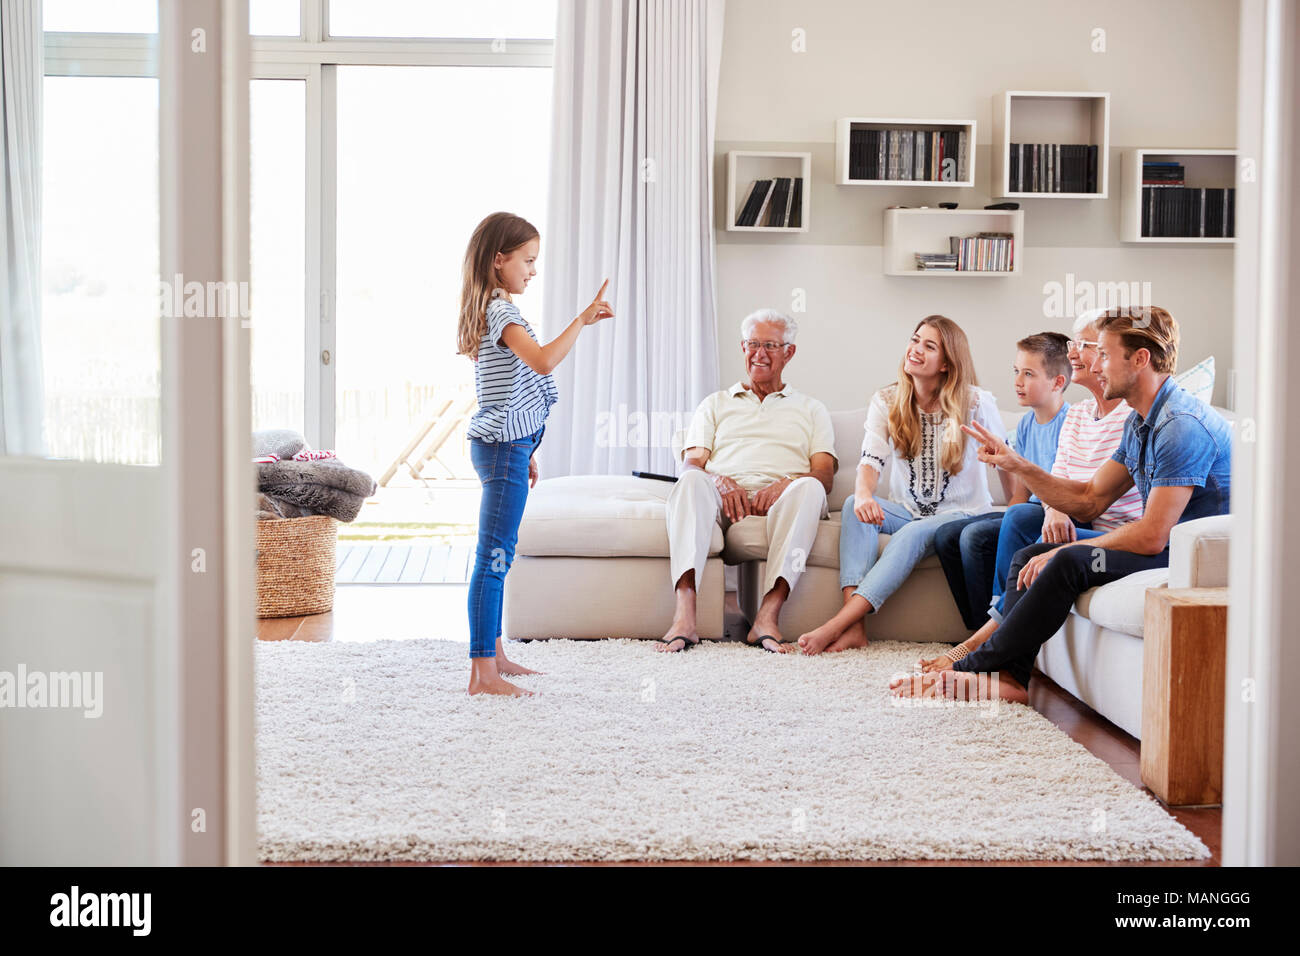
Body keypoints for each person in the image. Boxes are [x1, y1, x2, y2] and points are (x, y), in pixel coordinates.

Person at [892, 306, 1231, 702]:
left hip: (1190, 556)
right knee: (1030, 554)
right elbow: (1090, 499)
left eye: (1104, 354)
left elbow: (1154, 536)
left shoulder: (1180, 425)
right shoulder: (1140, 421)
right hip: (1165, 544)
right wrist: (1017, 464)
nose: (1094, 365)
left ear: (1140, 359)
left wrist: (1068, 549)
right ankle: (1012, 679)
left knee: (1066, 560)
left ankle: (970, 665)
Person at [918, 312, 1145, 673]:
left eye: (1087, 346)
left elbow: (1092, 500)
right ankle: (988, 634)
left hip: (1103, 528)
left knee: (1014, 522)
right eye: (1074, 344)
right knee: (993, 524)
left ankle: (988, 641)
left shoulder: (1135, 420)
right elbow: (1058, 481)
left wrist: (1049, 501)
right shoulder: (1080, 415)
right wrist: (1045, 498)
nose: (1074, 354)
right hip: (1073, 515)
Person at [456, 211, 614, 696]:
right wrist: (582, 319)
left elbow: (508, 391)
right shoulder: (501, 312)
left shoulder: (495, 307)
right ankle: (482, 672)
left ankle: (495, 654)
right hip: (502, 448)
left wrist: (526, 449)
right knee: (493, 557)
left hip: (508, 447)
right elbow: (542, 361)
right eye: (527, 260)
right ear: (498, 260)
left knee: (499, 556)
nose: (533, 270)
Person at [795, 315, 1012, 656]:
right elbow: (871, 459)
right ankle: (856, 628)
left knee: (913, 533)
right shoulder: (887, 400)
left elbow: (1006, 459)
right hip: (908, 511)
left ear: (946, 363)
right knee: (854, 504)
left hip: (962, 514)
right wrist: (865, 493)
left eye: (929, 346)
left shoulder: (976, 403)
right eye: (915, 340)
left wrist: (1014, 510)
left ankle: (837, 624)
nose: (916, 350)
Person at [659, 309, 837, 653]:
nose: (759, 354)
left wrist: (786, 483)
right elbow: (692, 463)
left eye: (770, 345)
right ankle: (685, 616)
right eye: (752, 344)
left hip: (784, 502)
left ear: (789, 352)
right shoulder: (714, 404)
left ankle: (767, 616)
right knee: (692, 481)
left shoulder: (812, 409)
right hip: (723, 498)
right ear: (742, 348)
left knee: (810, 487)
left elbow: (824, 474)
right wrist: (719, 480)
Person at [934, 332, 1072, 631]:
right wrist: (1009, 515)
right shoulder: (1026, 424)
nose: (1017, 381)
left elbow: (1068, 489)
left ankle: (999, 625)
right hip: (1028, 513)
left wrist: (1019, 515)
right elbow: (1019, 496)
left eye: (1028, 374)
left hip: (1055, 514)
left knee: (975, 537)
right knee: (946, 536)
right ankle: (978, 628)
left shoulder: (1071, 423)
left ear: (1057, 382)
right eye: (1016, 372)